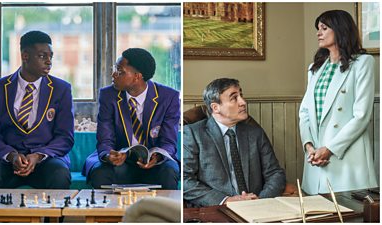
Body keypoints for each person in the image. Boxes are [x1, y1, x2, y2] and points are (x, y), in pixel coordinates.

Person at [299, 10, 378, 195]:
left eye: (324, 28)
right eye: (318, 29)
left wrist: (330, 149)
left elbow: (361, 116)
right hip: (315, 158)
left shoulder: (363, 63)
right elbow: (304, 112)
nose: (319, 33)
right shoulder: (314, 68)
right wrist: (309, 146)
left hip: (346, 158)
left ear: (340, 30)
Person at [0, 30, 74, 189]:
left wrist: (38, 156)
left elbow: (65, 137)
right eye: (42, 56)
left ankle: (52, 215)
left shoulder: (61, 89)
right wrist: (11, 156)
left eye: (50, 56)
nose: (49, 61)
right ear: (25, 56)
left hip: (45, 160)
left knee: (59, 173)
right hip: (5, 160)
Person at [83, 48, 180, 189]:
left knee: (168, 172)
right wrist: (110, 155)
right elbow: (105, 139)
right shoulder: (108, 95)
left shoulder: (168, 97)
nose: (114, 74)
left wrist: (157, 157)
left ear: (137, 77)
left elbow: (169, 141)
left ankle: (161, 211)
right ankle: (106, 211)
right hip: (121, 161)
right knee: (100, 173)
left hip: (154, 163)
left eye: (120, 71)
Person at [183, 78, 286, 207]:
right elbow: (185, 180)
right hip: (216, 208)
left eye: (241, 95)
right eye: (234, 98)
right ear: (215, 107)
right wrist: (225, 200)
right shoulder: (193, 134)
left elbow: (275, 173)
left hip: (256, 207)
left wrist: (260, 201)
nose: (243, 102)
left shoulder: (255, 133)